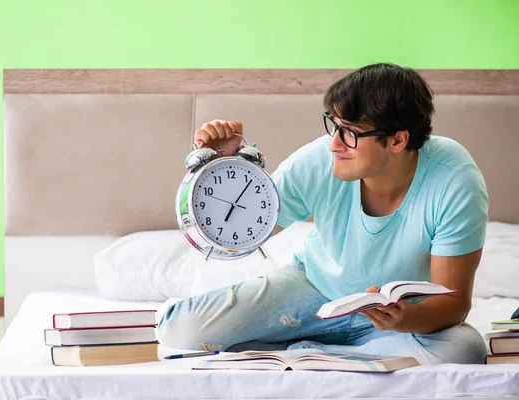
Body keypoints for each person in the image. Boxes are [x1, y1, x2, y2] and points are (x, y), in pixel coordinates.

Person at [158, 63, 489, 364]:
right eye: (334, 125)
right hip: (311, 290)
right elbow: (235, 238)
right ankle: (342, 357)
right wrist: (225, 164)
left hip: (394, 322)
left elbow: (454, 304)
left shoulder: (455, 179)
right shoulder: (320, 159)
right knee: (178, 330)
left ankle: (300, 352)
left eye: (350, 132)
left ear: (398, 140)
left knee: (465, 350)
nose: (334, 144)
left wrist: (403, 319)